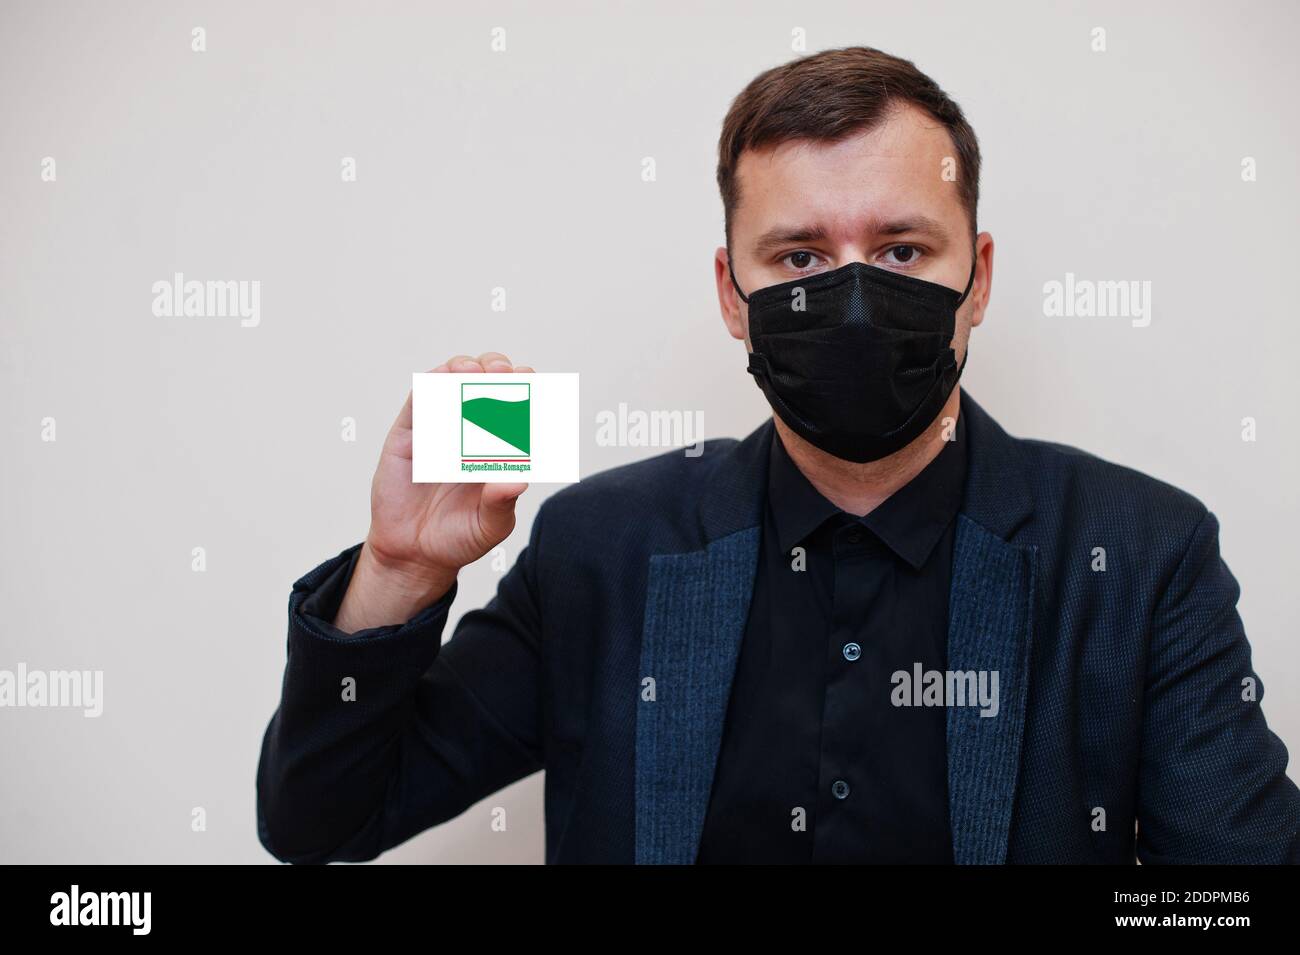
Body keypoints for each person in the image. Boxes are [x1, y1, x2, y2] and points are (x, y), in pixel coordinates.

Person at [256, 46, 1299, 864]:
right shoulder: (599, 550)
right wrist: (397, 574)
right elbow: (322, 819)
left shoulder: (1137, 555)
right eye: (799, 256)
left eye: (900, 251)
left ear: (977, 279)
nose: (850, 302)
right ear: (730, 293)